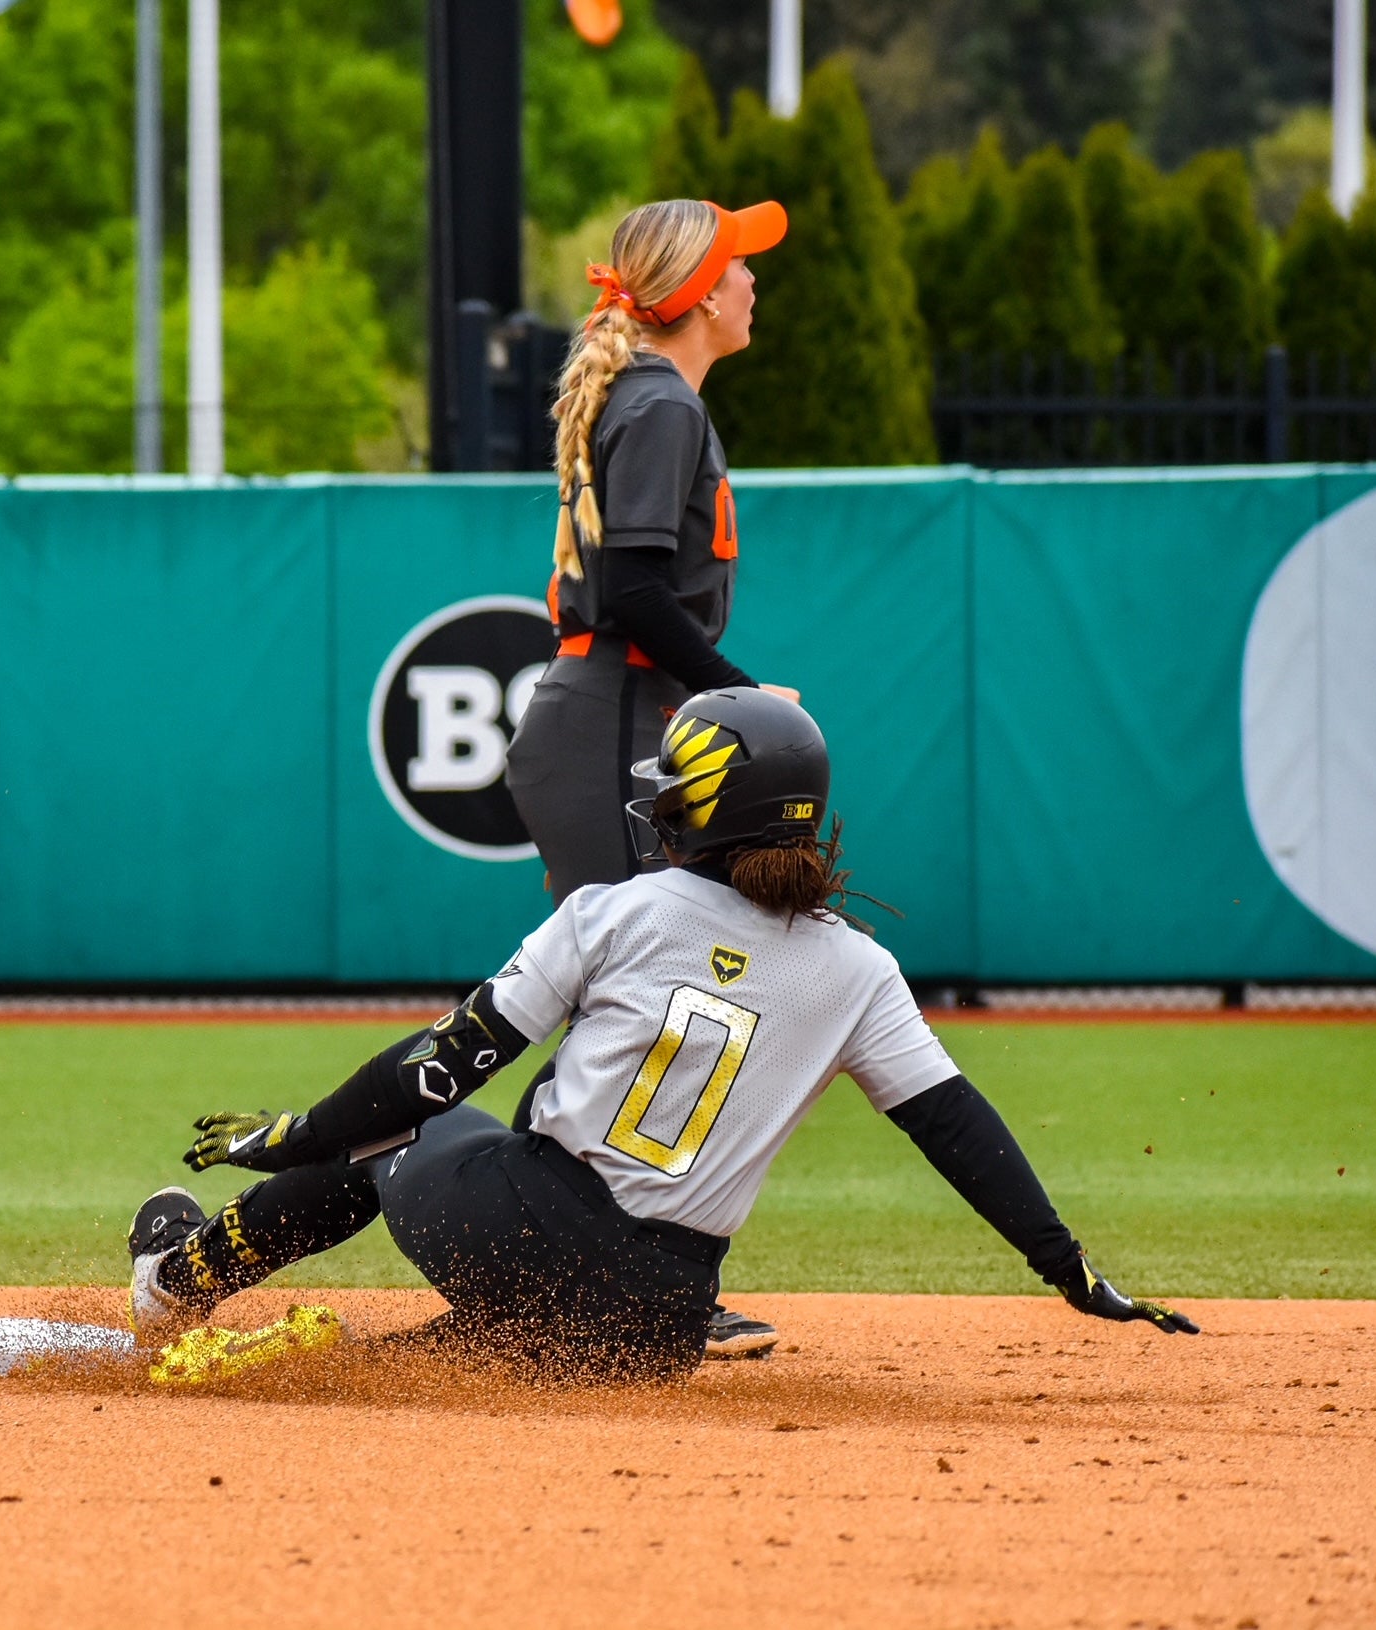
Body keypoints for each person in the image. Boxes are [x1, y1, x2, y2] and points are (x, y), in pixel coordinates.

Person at [126, 689, 1197, 1380]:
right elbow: (956, 1130)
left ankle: (175, 1284)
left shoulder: (620, 910)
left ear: (702, 811)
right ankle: (430, 1357)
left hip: (525, 1236)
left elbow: (437, 1069)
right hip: (657, 1326)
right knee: (493, 1336)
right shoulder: (860, 969)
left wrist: (295, 1133)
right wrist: (1066, 1270)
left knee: (413, 1128)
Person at [503, 198, 805, 1361]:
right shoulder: (661, 403)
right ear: (691, 294)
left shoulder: (648, 398)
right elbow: (632, 593)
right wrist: (744, 698)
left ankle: (570, 1280)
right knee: (644, 1003)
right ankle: (592, 1284)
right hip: (614, 724)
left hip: (623, 721)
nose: (749, 285)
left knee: (636, 1008)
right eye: (737, 268)